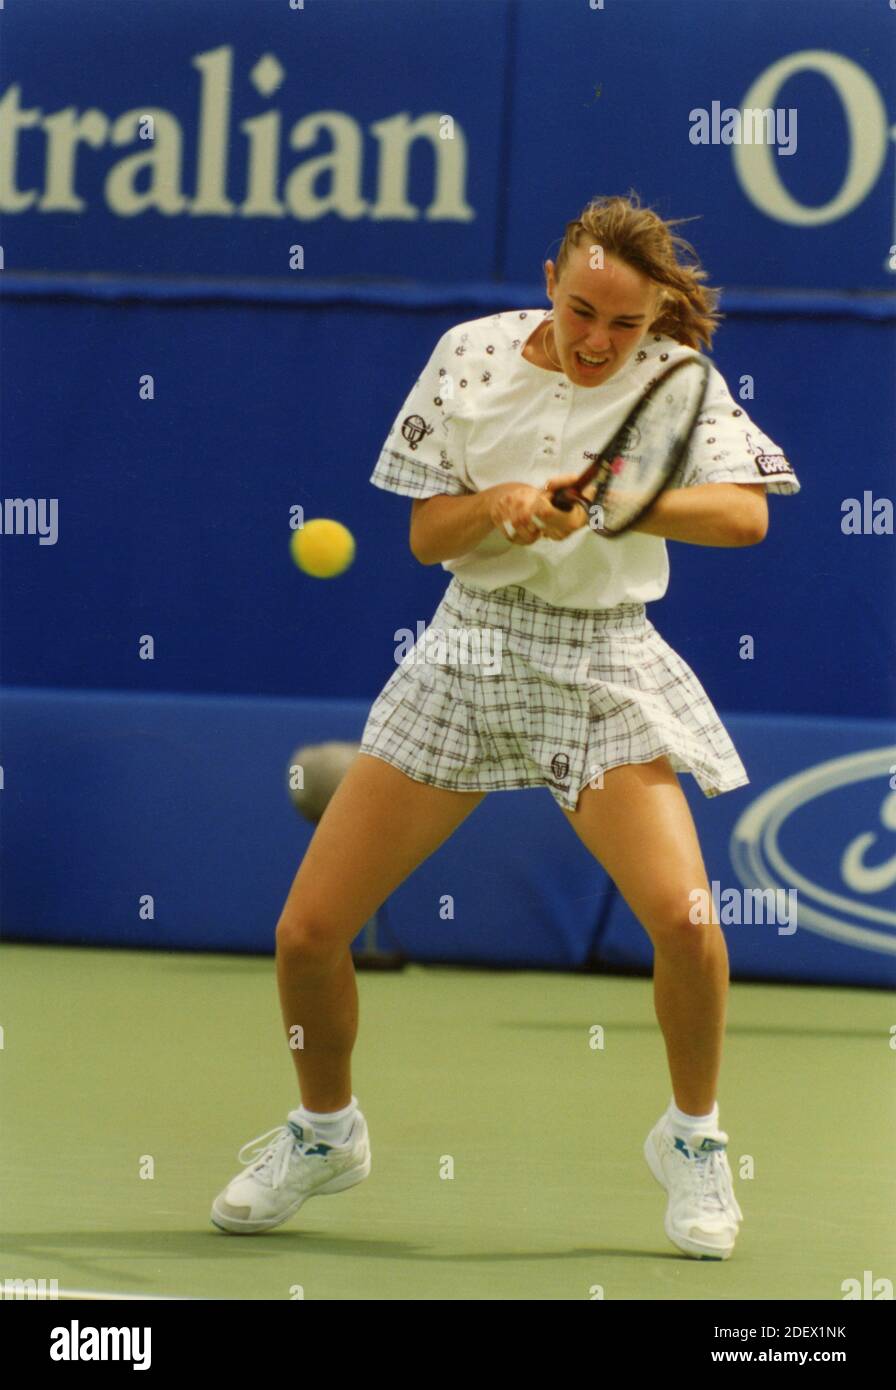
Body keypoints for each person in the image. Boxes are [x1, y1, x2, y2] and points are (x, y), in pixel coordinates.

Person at [211, 193, 800, 1260]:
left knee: (684, 920)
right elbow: (425, 534)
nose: (597, 340)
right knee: (306, 934)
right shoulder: (468, 355)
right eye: (581, 311)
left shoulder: (673, 377)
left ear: (651, 317)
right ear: (547, 281)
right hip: (466, 648)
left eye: (621, 323)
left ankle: (692, 1139)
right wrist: (503, 504)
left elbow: (745, 514)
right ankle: (324, 1130)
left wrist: (617, 497)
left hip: (600, 659)